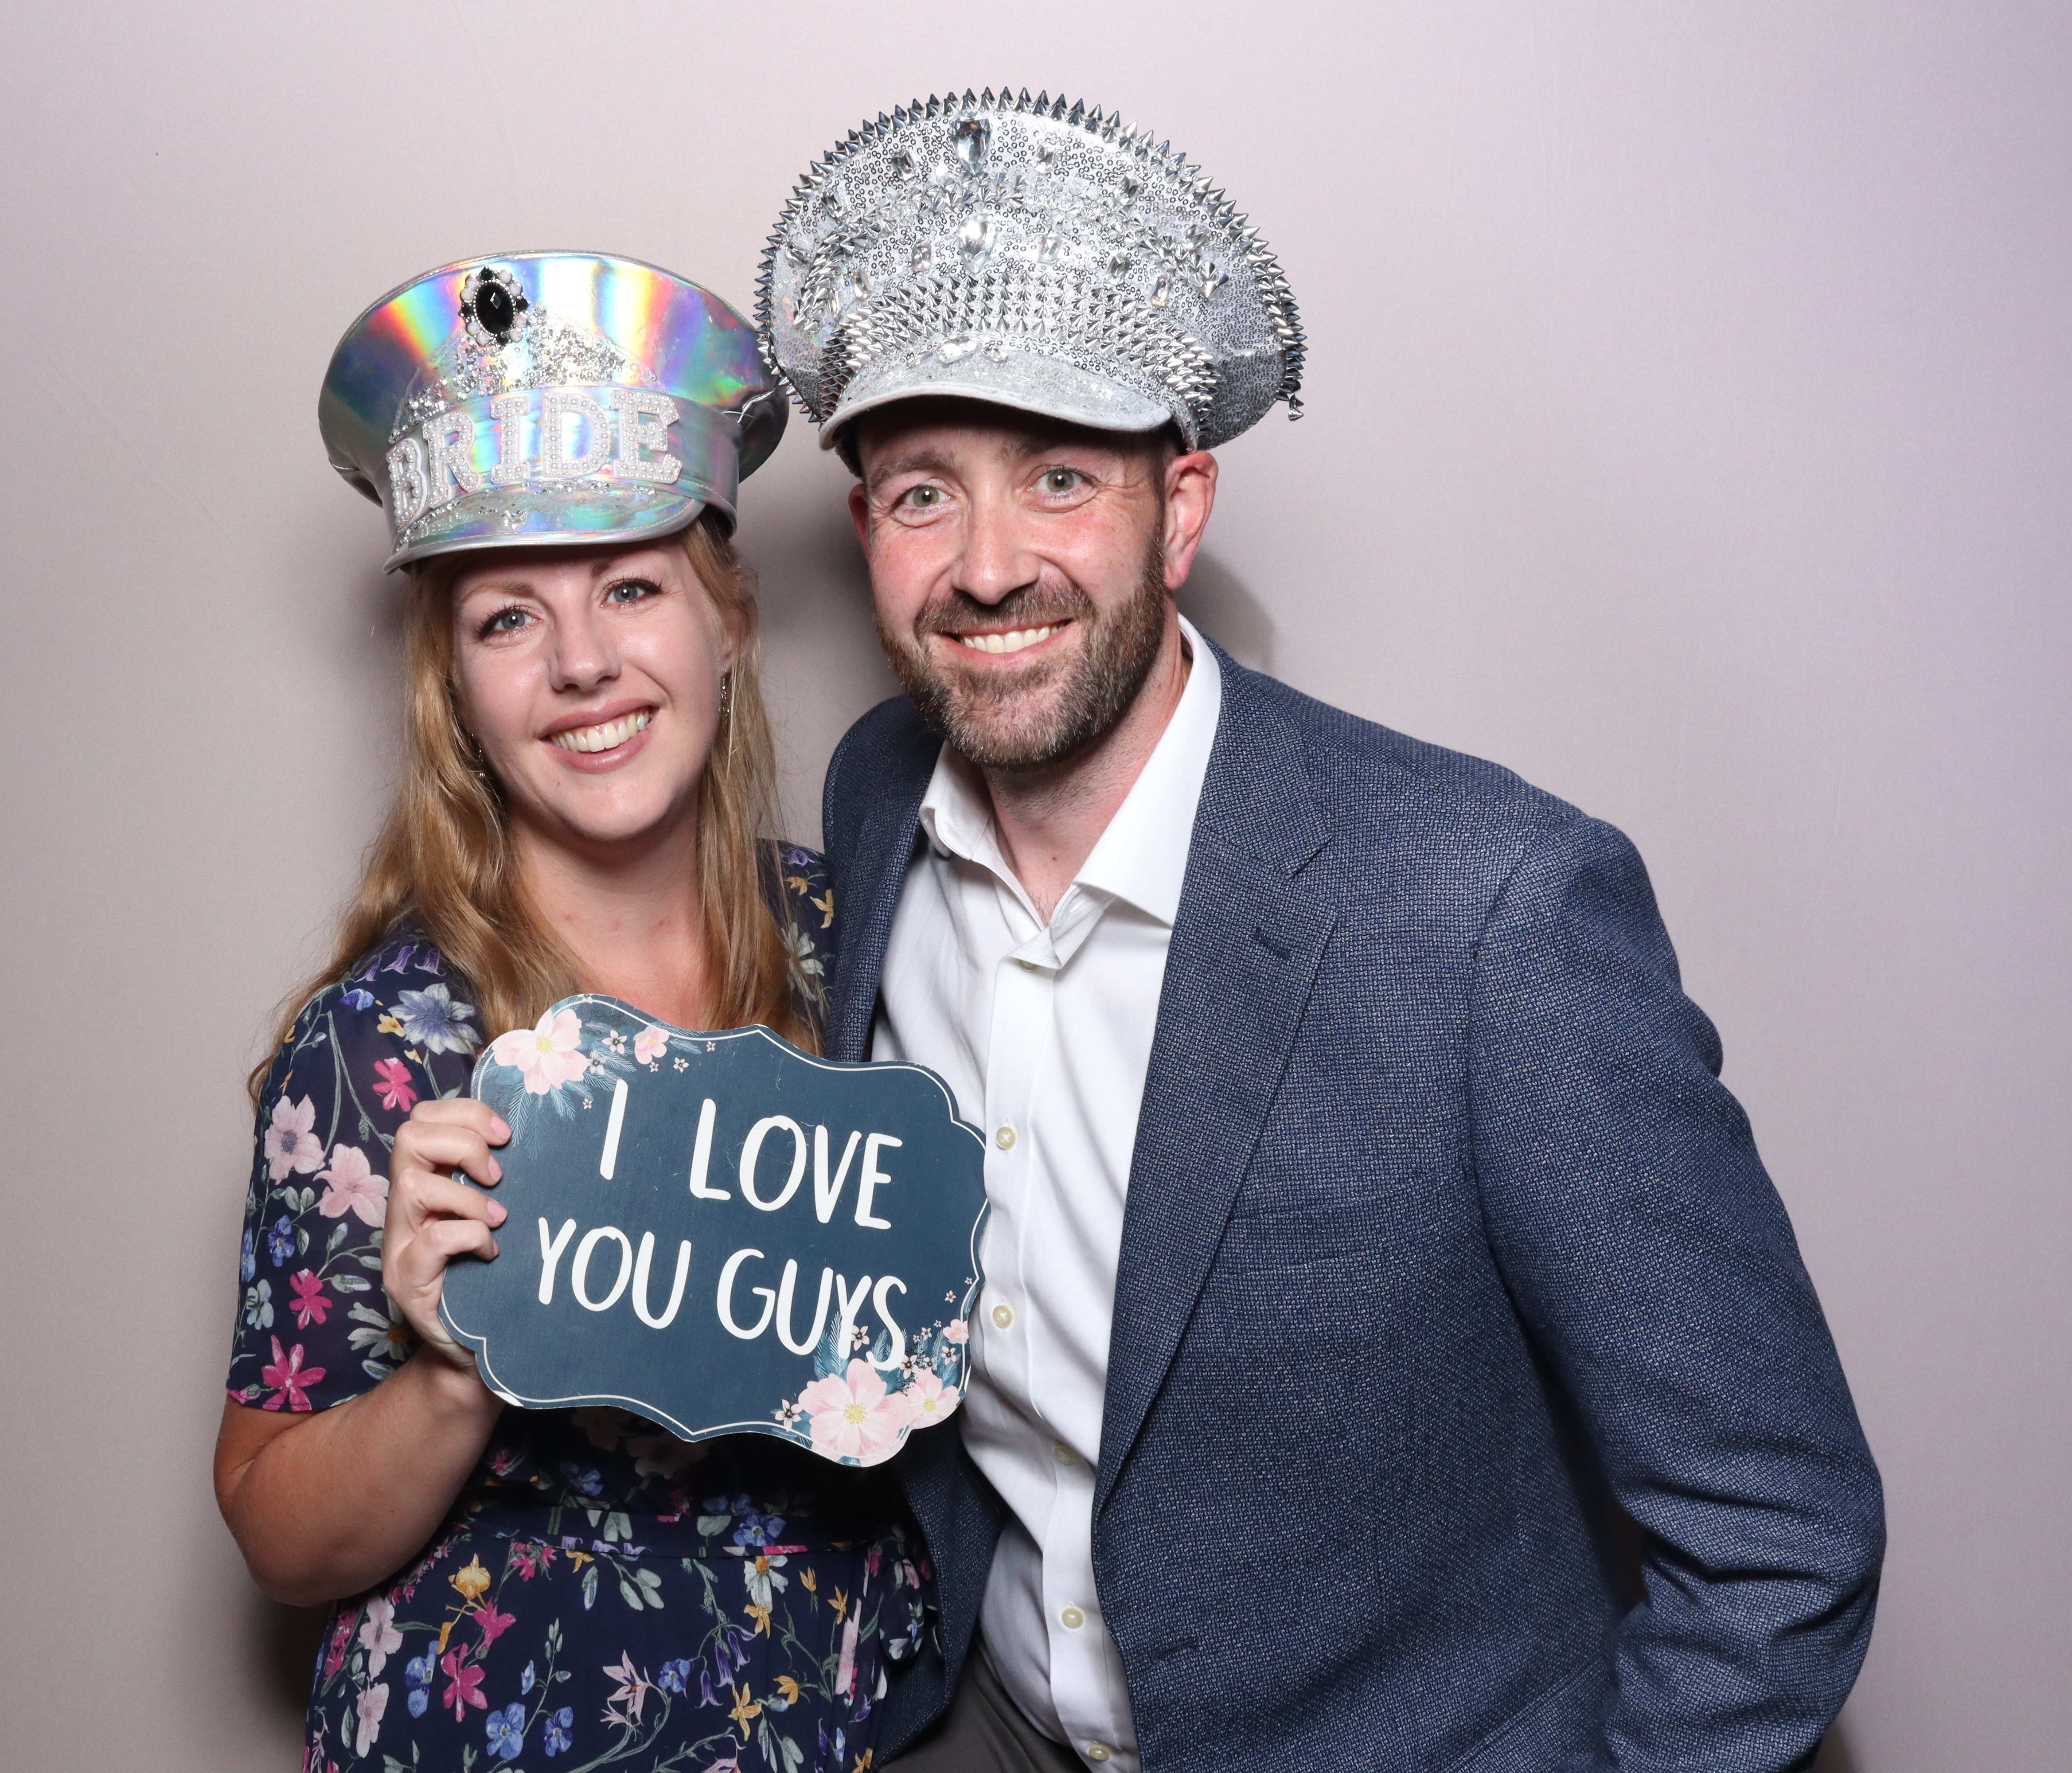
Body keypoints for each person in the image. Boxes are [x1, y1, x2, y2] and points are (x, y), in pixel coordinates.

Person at [756, 92, 1887, 1772]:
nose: (987, 567)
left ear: (1181, 507)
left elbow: (1782, 1535)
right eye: (926, 494)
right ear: (869, 533)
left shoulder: (1491, 912)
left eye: (1060, 478)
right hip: (993, 1721)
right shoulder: (871, 801)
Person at [215, 252, 927, 1773]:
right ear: (455, 691)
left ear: (725, 617)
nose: (584, 665)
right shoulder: (381, 1047)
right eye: (504, 621)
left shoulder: (854, 940)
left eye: (628, 588)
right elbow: (278, 1536)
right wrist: (463, 1360)